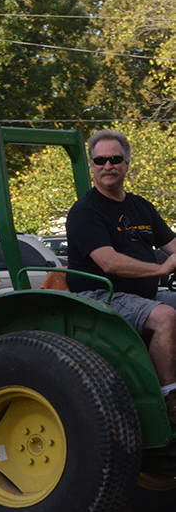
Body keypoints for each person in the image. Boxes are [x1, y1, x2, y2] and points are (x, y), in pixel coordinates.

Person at [65, 130, 176, 428]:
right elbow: (109, 263)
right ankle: (169, 401)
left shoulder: (141, 206)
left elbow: (173, 245)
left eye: (115, 159)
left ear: (127, 163)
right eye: (100, 160)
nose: (107, 166)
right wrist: (160, 269)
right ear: (92, 166)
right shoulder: (84, 212)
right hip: (101, 298)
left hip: (141, 296)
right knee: (165, 316)